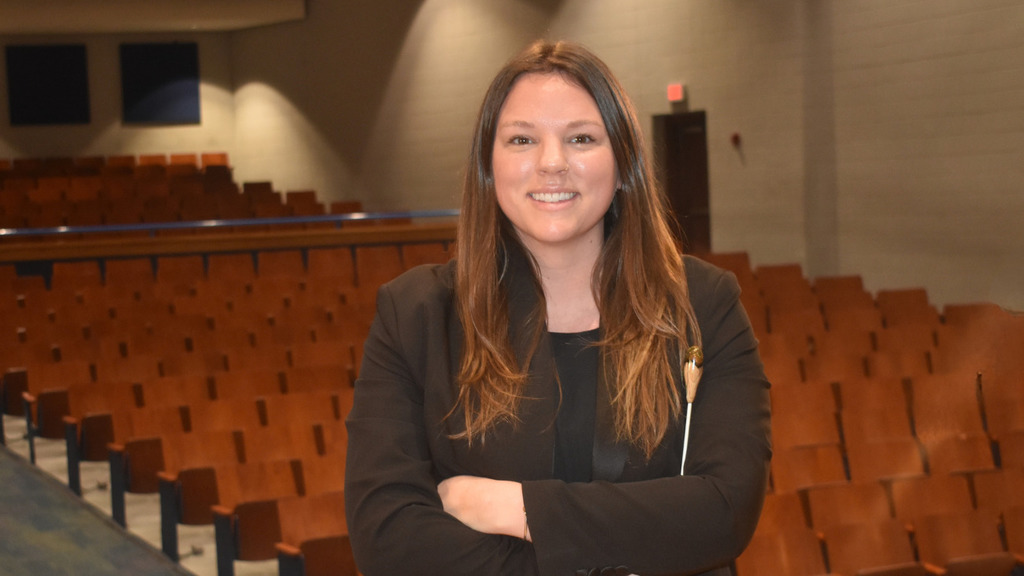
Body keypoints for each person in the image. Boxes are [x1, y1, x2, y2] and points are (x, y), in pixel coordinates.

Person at [344, 39, 771, 576]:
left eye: (581, 138)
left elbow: (724, 513)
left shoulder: (703, 305)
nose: (552, 163)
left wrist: (521, 509)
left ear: (623, 163)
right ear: (488, 164)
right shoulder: (415, 315)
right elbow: (386, 539)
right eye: (522, 139)